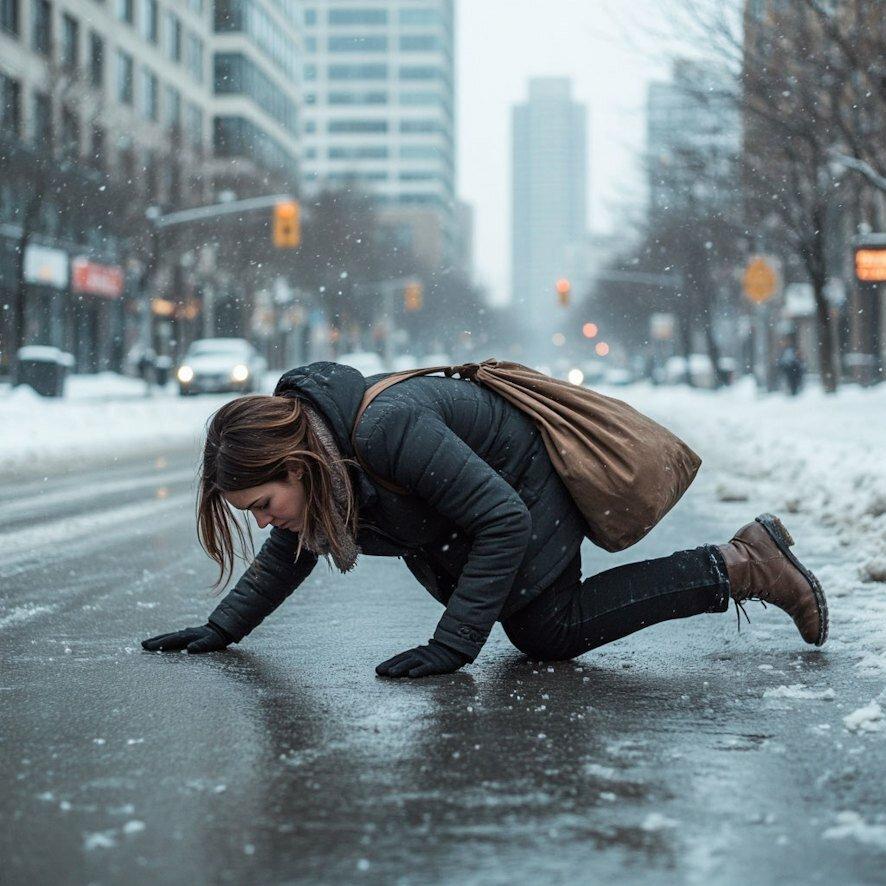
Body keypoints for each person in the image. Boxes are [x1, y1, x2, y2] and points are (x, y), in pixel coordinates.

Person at [142, 361, 828, 677]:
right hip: (496, 506)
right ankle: (744, 560)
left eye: (263, 505)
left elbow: (503, 519)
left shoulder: (386, 432)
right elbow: (293, 546)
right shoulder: (329, 463)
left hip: (530, 488)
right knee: (543, 633)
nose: (266, 523)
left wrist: (454, 645)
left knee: (547, 632)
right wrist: (222, 627)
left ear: (295, 464)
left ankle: (746, 565)